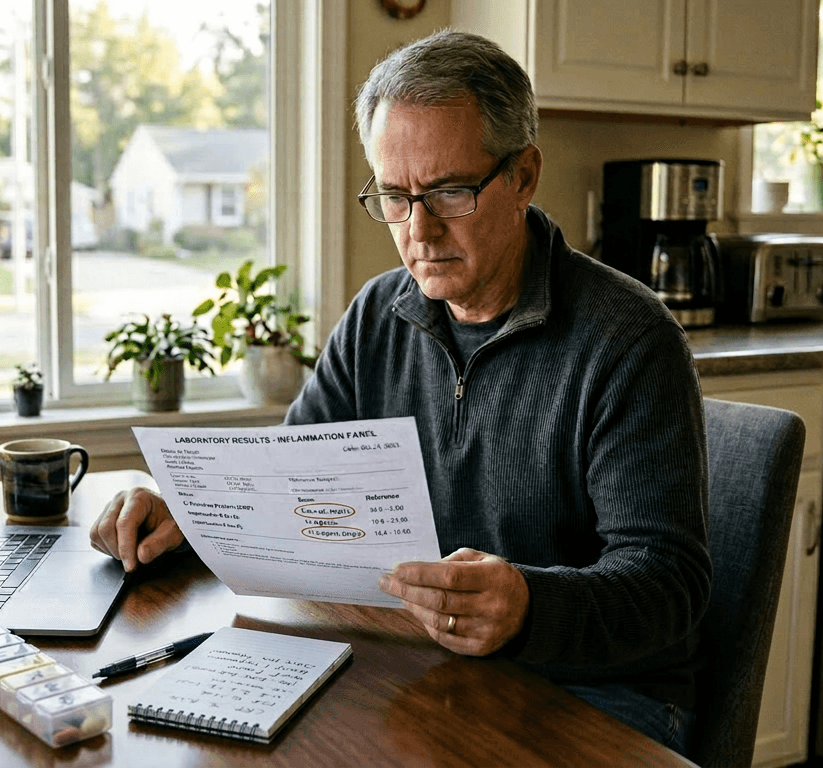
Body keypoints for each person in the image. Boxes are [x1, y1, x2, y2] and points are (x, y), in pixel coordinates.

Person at [90, 29, 711, 756]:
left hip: (592, 695)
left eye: (452, 191)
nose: (420, 229)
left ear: (524, 175)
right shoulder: (377, 316)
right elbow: (289, 492)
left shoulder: (629, 341)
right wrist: (193, 512)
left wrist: (530, 607)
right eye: (395, 195)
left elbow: (670, 588)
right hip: (420, 667)